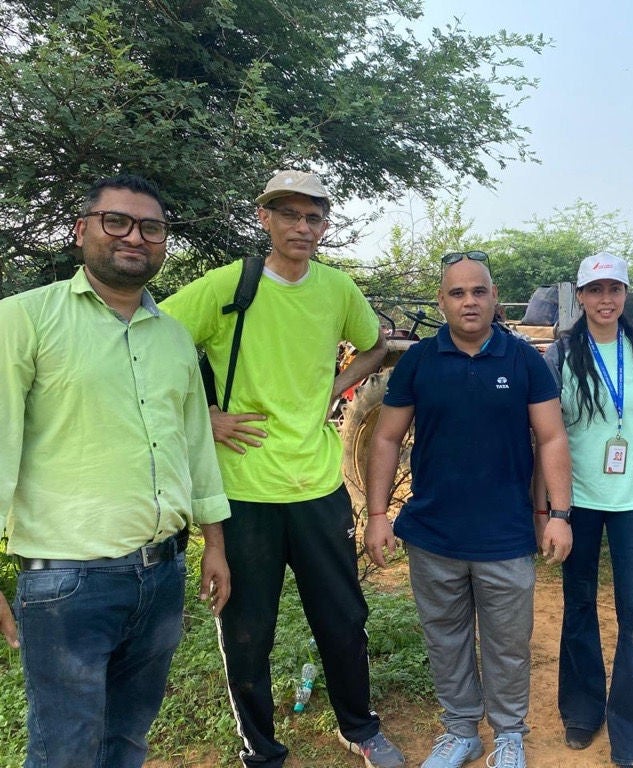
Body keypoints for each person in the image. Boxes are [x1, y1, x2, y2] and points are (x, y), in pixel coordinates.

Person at [159, 170, 401, 768]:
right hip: (243, 491)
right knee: (246, 630)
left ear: (324, 225)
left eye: (313, 217)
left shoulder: (337, 289)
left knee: (343, 619)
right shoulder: (230, 284)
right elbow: (150, 341)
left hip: (318, 485)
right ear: (264, 217)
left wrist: (336, 387)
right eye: (289, 214)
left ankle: (360, 727)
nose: (302, 226)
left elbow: (375, 345)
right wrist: (203, 416)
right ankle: (261, 750)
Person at [0, 174, 232, 768]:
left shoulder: (175, 338)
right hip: (67, 583)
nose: (135, 237)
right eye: (117, 221)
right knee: (65, 749)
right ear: (81, 230)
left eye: (151, 227)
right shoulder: (23, 319)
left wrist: (214, 543)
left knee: (128, 738)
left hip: (161, 576)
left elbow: (195, 447)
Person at [364, 251, 573, 768]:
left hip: (506, 536)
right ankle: (460, 731)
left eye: (479, 291)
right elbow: (386, 438)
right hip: (434, 535)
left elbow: (551, 438)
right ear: (442, 301)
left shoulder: (524, 360)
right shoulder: (419, 361)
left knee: (508, 645)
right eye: (457, 293)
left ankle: (508, 735)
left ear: (494, 296)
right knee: (445, 638)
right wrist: (377, 515)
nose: (469, 301)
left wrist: (560, 516)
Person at [536, 252, 633, 768]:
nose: (605, 299)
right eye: (595, 290)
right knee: (578, 604)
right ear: (579, 296)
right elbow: (547, 436)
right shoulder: (559, 354)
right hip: (577, 502)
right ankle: (582, 710)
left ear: (625, 294)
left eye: (614, 289)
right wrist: (548, 511)